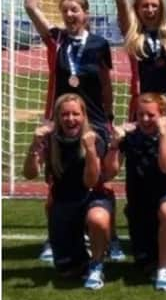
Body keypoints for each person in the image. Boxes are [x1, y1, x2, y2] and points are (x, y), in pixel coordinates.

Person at [24, 0, 119, 262]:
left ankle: (109, 237)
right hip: (62, 120)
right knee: (58, 179)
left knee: (98, 178)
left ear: (86, 13)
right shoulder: (56, 40)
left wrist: (109, 118)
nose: (70, 15)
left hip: (92, 120)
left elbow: (105, 84)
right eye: (65, 11)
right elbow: (30, 7)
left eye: (75, 10)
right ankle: (57, 237)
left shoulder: (100, 45)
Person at [23, 94, 112, 290]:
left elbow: (91, 181)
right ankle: (81, 254)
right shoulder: (50, 139)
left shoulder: (94, 137)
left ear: (83, 116)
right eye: (64, 114)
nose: (70, 119)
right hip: (64, 201)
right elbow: (29, 174)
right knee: (68, 271)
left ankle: (97, 263)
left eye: (75, 114)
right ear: (57, 117)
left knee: (97, 219)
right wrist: (34, 145)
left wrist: (89, 150)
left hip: (92, 196)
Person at [104, 93, 166, 292]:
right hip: (140, 204)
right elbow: (109, 172)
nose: (144, 120)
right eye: (140, 114)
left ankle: (165, 268)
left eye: (150, 115)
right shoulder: (131, 136)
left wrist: (163, 134)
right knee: (144, 262)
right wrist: (114, 145)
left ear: (162, 115)